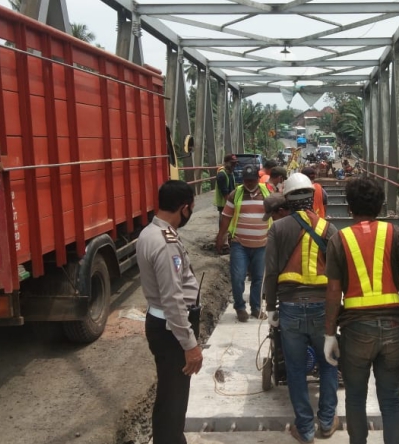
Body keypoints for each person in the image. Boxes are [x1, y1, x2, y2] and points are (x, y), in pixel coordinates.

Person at [323, 177, 399, 444]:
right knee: (390, 400)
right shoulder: (394, 234)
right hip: (391, 328)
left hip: (355, 330)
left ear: (350, 208)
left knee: (355, 397)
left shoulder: (339, 240)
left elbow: (333, 292)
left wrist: (329, 334)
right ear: (379, 207)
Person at [263, 173, 340, 443]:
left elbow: (271, 272)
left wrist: (270, 306)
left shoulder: (278, 228)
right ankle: (328, 422)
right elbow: (339, 275)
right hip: (322, 308)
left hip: (290, 307)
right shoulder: (330, 229)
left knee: (295, 369)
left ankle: (305, 429)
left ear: (287, 199)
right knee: (329, 363)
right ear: (312, 197)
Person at [136, 180, 203, 444]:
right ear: (184, 208)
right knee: (174, 397)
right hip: (171, 328)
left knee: (169, 393)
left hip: (163, 324)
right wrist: (190, 344)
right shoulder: (166, 243)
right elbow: (173, 299)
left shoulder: (150, 232)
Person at [216, 165, 271, 322]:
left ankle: (256, 308)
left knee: (258, 278)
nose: (249, 183)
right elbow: (226, 216)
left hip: (262, 244)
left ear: (257, 179)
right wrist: (220, 236)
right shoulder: (236, 194)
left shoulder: (267, 193)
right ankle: (240, 307)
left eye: (252, 180)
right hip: (239, 243)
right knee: (238, 276)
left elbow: (277, 212)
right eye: (246, 180)